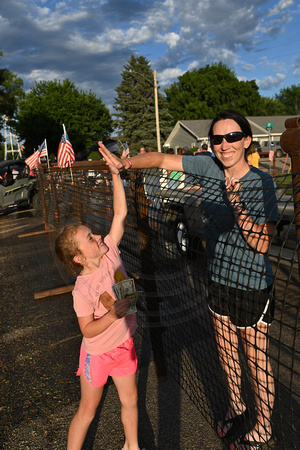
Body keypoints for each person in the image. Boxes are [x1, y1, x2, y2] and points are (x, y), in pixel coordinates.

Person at [99, 110, 278, 450]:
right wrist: (128, 165)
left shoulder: (262, 183)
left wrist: (237, 202)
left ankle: (264, 426)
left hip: (253, 286)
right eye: (218, 138)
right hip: (217, 281)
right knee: (226, 354)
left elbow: (262, 243)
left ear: (247, 141)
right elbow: (163, 159)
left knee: (256, 359)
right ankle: (236, 407)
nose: (225, 144)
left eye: (232, 137)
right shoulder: (208, 166)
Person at [55, 153, 143, 450]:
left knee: (130, 401)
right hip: (98, 354)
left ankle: (131, 446)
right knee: (87, 410)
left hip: (124, 346)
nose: (98, 237)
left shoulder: (110, 252)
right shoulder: (82, 290)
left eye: (93, 233)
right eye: (90, 238)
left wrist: (116, 176)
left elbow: (119, 214)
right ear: (79, 258)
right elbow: (87, 330)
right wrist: (112, 316)